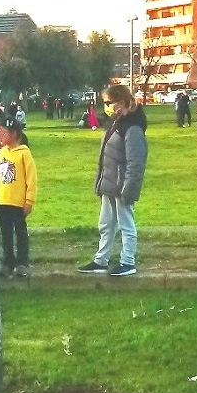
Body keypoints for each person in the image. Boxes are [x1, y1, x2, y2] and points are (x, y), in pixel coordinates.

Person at [77, 83, 148, 278]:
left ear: (122, 102)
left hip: (121, 186)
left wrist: (129, 189)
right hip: (109, 184)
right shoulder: (116, 123)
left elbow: (136, 162)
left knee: (126, 224)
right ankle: (101, 260)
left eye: (109, 102)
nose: (106, 107)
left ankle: (128, 261)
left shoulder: (132, 128)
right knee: (106, 224)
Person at [0, 116, 37, 278]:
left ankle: (21, 263)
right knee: (5, 233)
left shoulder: (24, 154)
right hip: (2, 201)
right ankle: (8, 262)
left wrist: (29, 200)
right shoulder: (0, 154)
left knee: (20, 232)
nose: (0, 136)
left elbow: (31, 179)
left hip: (18, 202)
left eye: (3, 133)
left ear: (14, 134)